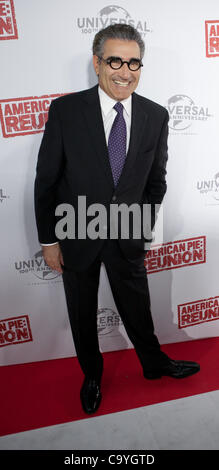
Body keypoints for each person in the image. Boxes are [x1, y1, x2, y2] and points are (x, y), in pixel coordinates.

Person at [34, 24, 200, 415]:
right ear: (97, 63)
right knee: (81, 311)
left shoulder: (156, 115)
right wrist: (48, 241)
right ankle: (92, 375)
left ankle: (154, 363)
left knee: (138, 306)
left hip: (128, 232)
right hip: (76, 232)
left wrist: (141, 222)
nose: (125, 72)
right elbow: (46, 181)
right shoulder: (66, 110)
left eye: (134, 62)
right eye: (115, 61)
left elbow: (156, 180)